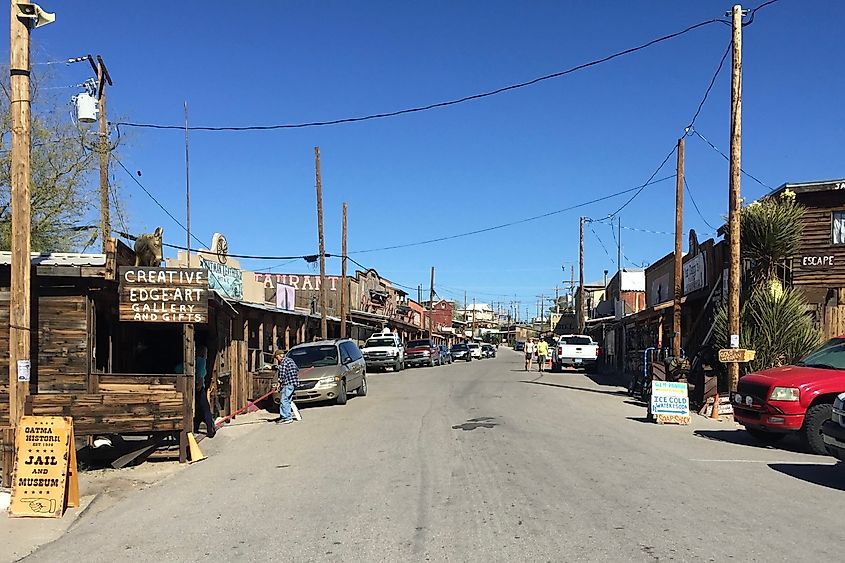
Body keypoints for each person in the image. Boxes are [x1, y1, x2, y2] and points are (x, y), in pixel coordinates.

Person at [176, 345, 216, 438]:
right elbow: (201, 374)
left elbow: (178, 369)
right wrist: (199, 383)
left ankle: (196, 428)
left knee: (197, 408)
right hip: (198, 387)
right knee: (205, 408)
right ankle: (210, 429)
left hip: (190, 386)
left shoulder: (190, 361)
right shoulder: (201, 361)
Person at [274, 349, 300, 424]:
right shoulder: (290, 360)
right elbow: (297, 369)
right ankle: (287, 416)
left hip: (288, 384)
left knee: (284, 400)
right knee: (288, 400)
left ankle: (287, 417)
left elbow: (282, 374)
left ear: (279, 355)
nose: (277, 359)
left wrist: (279, 383)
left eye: (277, 358)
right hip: (293, 383)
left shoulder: (284, 362)